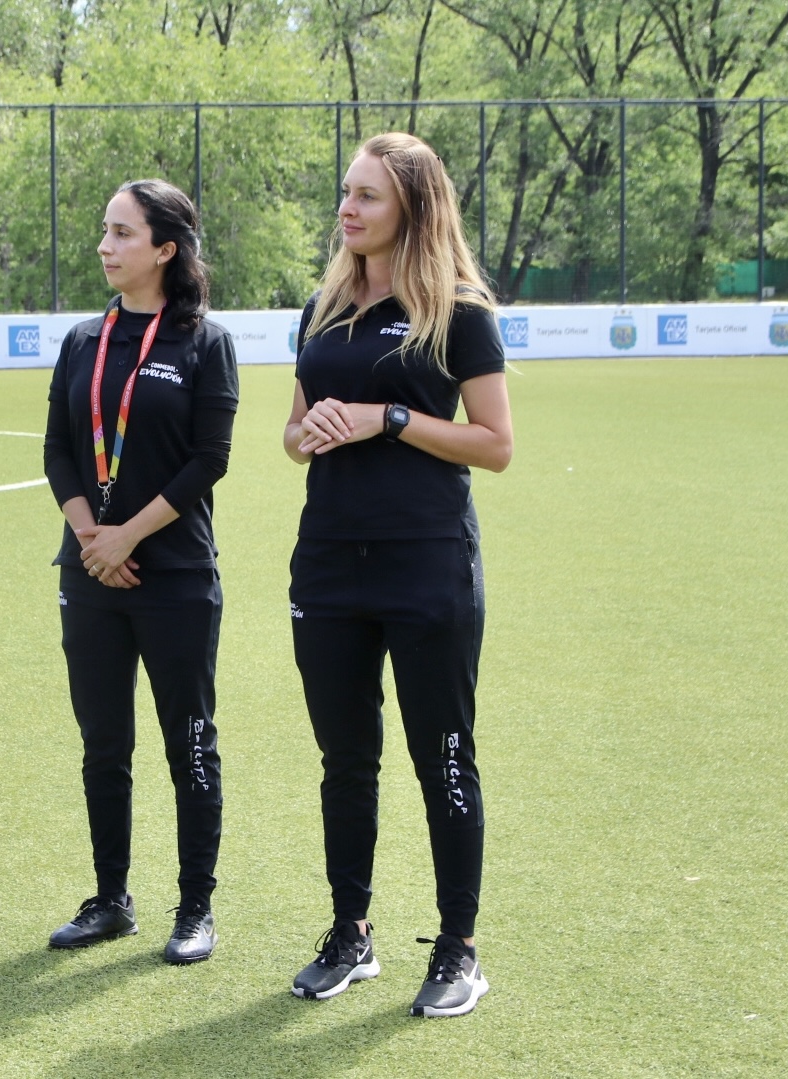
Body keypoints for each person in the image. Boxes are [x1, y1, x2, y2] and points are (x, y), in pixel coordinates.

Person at [282, 132, 512, 1017]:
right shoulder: (322, 308)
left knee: (442, 756)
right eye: (346, 191)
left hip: (427, 567)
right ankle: (352, 932)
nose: (348, 208)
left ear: (413, 206)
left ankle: (458, 947)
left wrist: (390, 417)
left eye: (368, 195)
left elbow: (494, 446)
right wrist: (314, 432)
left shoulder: (459, 311)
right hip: (331, 565)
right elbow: (293, 435)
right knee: (347, 759)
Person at [42, 179, 239, 964]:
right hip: (89, 570)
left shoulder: (203, 341)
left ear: (165, 248)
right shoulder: (83, 341)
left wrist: (130, 536)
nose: (104, 245)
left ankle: (194, 908)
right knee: (103, 743)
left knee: (188, 740)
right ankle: (110, 898)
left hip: (176, 574)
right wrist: (94, 536)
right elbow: (58, 449)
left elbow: (209, 459)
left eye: (122, 233)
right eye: (104, 231)